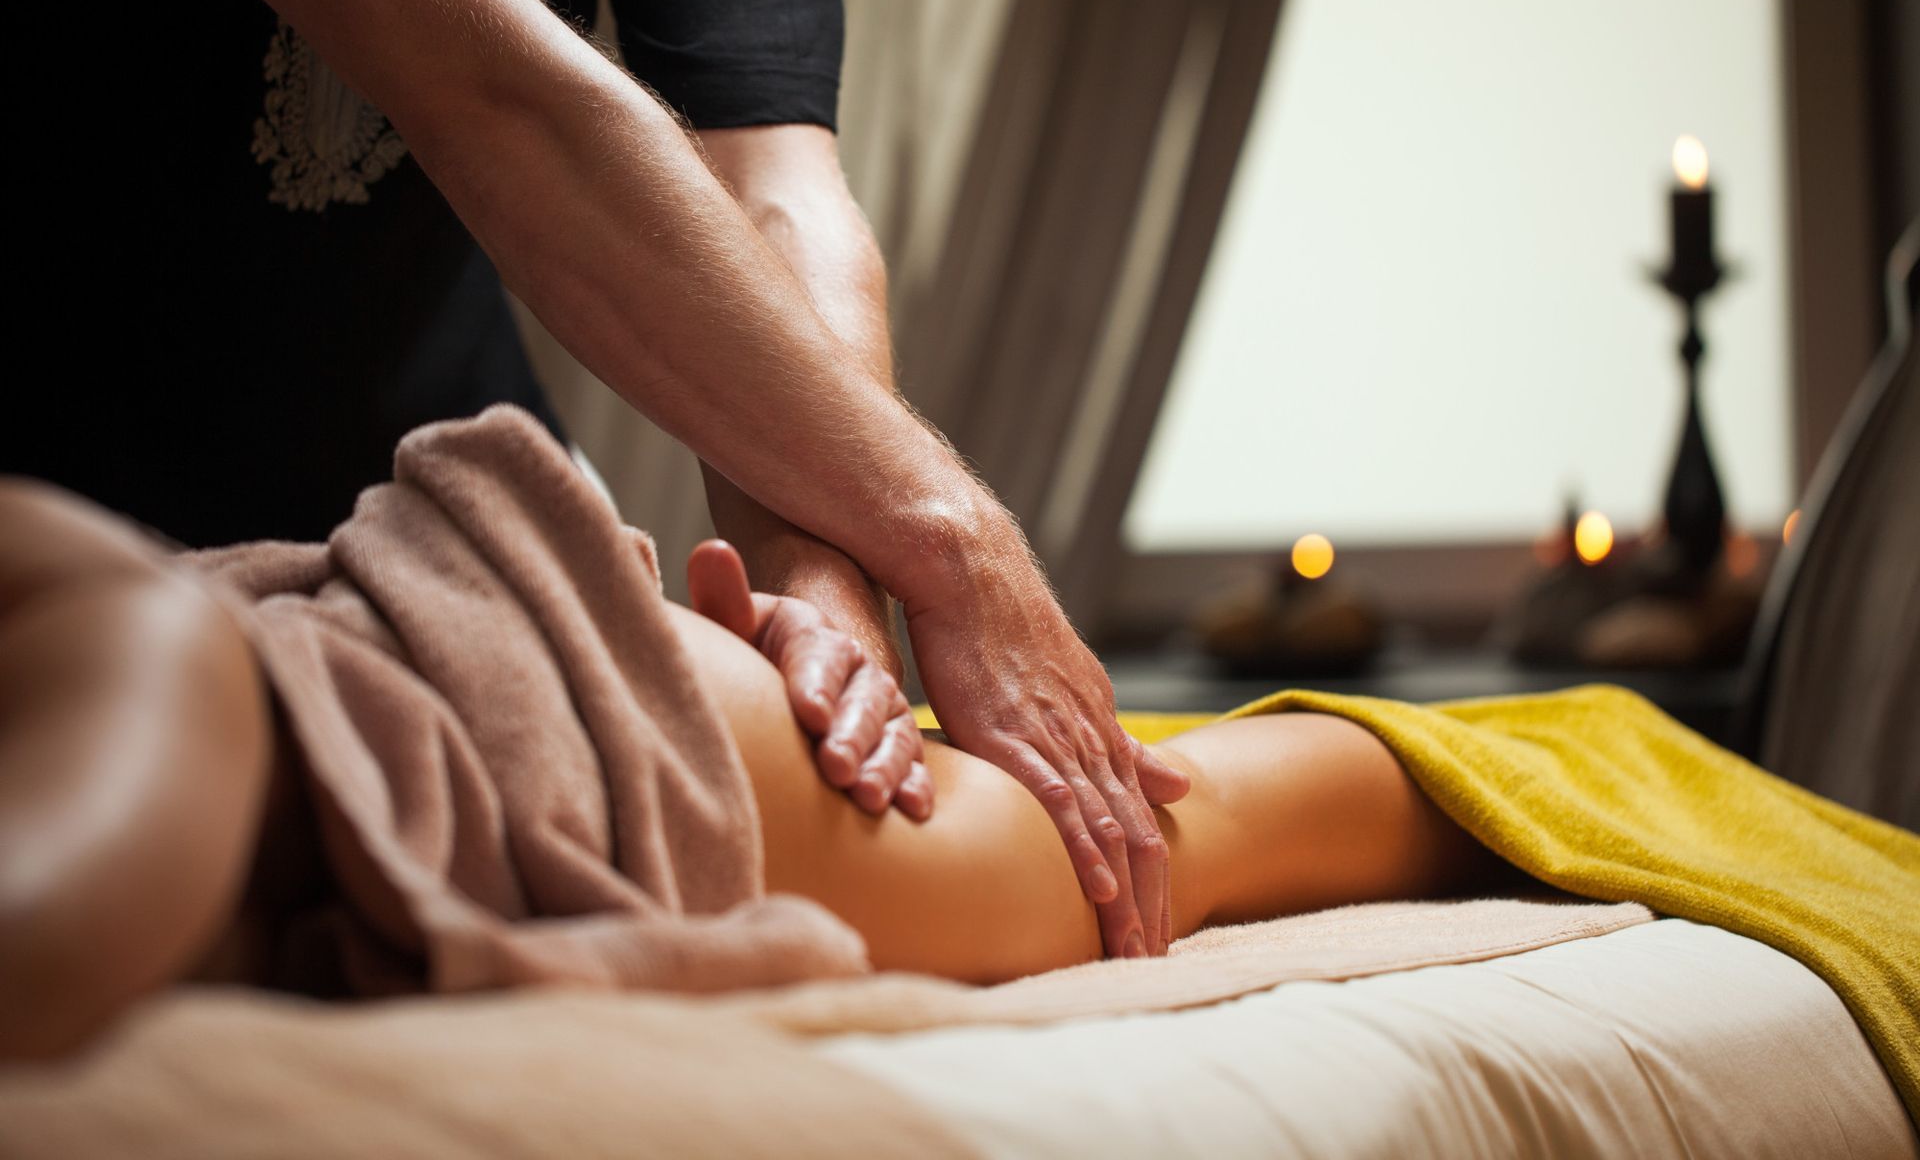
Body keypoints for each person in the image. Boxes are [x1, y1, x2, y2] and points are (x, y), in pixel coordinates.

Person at [4, 0, 1186, 958]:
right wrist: (952, 540)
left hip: (443, 513)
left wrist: (835, 614)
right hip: (69, 517)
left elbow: (774, 193)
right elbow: (493, 87)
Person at [0, 477, 1506, 1060]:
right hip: (490, 678)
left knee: (1165, 829)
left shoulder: (118, 643)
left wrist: (874, 562)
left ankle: (1566, 756)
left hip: (535, 706)